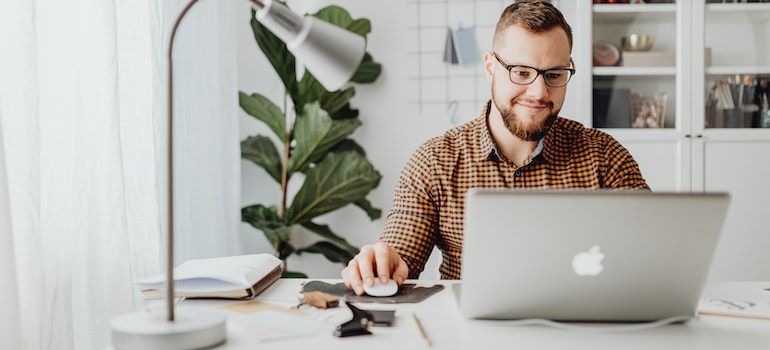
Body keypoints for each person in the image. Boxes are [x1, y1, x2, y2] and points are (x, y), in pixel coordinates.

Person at [341, 0, 649, 295]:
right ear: (490, 67)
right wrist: (382, 263)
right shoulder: (435, 161)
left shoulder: (605, 157)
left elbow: (653, 253)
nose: (539, 92)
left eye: (554, 75)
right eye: (521, 72)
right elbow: (401, 254)